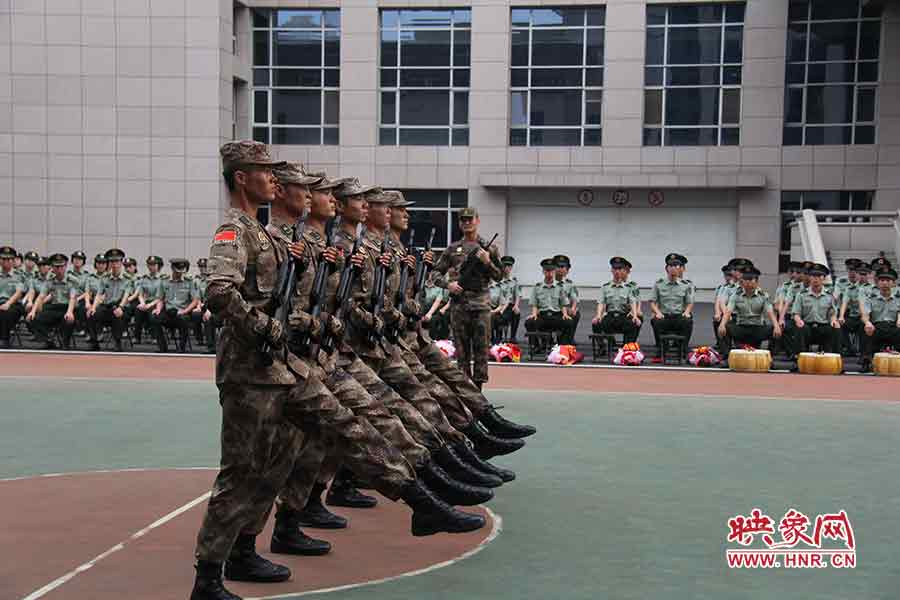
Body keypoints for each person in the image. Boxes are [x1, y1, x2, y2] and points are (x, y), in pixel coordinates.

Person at [189, 142, 483, 600]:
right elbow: (219, 291)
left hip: (286, 367)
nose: (273, 179)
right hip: (249, 374)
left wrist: (300, 322)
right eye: (263, 172)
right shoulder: (234, 231)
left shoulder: (264, 233)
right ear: (241, 178)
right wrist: (264, 325)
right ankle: (209, 578)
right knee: (244, 472)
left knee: (348, 427)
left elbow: (293, 301)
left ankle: (421, 502)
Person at [431, 207, 503, 390]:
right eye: (463, 220)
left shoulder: (489, 248)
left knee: (481, 351)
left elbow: (499, 276)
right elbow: (435, 273)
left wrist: (488, 262)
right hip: (459, 306)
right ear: (459, 223)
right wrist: (448, 285)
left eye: (470, 219)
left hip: (481, 306)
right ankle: (464, 392)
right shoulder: (452, 249)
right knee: (462, 353)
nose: (467, 223)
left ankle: (478, 391)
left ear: (477, 221)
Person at [718, 266, 781, 354]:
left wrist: (776, 326)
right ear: (742, 281)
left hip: (757, 328)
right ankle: (727, 355)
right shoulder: (736, 295)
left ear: (757, 282)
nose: (748, 282)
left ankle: (770, 356)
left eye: (751, 279)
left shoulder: (763, 295)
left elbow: (770, 312)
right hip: (741, 327)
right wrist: (722, 324)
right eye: (745, 279)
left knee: (775, 329)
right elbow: (728, 311)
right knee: (724, 327)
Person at [788, 263, 841, 367]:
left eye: (818, 276)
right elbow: (796, 313)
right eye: (813, 276)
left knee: (836, 328)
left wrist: (834, 320)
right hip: (807, 327)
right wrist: (798, 320)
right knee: (799, 328)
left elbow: (832, 313)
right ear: (809, 277)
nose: (815, 279)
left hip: (823, 327)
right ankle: (799, 361)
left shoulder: (829, 296)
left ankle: (835, 361)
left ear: (823, 278)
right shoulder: (801, 295)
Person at [27, 253, 78, 349]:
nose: (59, 269)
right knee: (33, 318)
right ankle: (48, 339)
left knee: (69, 319)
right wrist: (33, 311)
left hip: (68, 307)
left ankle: (65, 341)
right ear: (52, 268)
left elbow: (72, 297)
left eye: (61, 266)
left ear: (65, 266)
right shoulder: (49, 280)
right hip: (54, 307)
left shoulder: (72, 280)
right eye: (56, 267)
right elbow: (41, 296)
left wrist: (69, 312)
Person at [86, 249, 133, 351]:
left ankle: (117, 342)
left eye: (117, 261)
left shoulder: (127, 278)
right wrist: (93, 307)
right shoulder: (105, 277)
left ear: (121, 262)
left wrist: (121, 307)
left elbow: (126, 295)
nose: (114, 264)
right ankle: (94, 342)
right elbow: (99, 294)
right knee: (91, 314)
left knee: (117, 314)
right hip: (107, 306)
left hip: (122, 307)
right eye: (112, 261)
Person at [649, 253, 694, 360]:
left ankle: (683, 349)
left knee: (688, 321)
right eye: (671, 266)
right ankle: (661, 349)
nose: (673, 269)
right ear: (667, 269)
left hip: (678, 316)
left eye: (676, 266)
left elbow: (689, 302)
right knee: (656, 321)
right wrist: (657, 312)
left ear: (680, 269)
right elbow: (652, 302)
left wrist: (687, 312)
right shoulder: (659, 284)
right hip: (664, 315)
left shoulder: (685, 285)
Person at [152, 258, 200, 353]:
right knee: (155, 318)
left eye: (181, 271)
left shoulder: (189, 282)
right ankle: (162, 347)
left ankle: (181, 348)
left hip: (182, 312)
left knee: (184, 320)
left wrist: (185, 311)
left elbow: (195, 300)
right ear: (172, 268)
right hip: (168, 312)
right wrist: (158, 309)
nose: (179, 273)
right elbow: (160, 298)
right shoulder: (164, 281)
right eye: (177, 271)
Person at [524, 257, 571, 350]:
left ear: (554, 271)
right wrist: (534, 314)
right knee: (529, 322)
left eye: (551, 270)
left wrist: (565, 314)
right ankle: (535, 346)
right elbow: (535, 304)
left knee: (568, 322)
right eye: (547, 270)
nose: (549, 273)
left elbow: (563, 303)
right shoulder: (537, 287)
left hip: (556, 315)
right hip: (543, 315)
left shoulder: (560, 286)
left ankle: (562, 347)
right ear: (543, 271)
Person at [593, 256, 641, 344]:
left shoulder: (628, 287)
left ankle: (627, 346)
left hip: (623, 316)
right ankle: (603, 346)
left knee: (633, 323)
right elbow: (601, 302)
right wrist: (598, 315)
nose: (617, 271)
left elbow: (633, 302)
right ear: (611, 270)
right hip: (610, 316)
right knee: (596, 323)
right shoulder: (605, 287)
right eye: (615, 269)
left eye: (619, 269)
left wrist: (634, 315)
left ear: (623, 270)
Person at [859, 268, 900, 372]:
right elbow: (865, 314)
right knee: (864, 328)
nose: (885, 283)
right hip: (876, 327)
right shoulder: (870, 298)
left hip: (894, 327)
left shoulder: (898, 298)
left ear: (893, 283)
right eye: (882, 280)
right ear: (877, 283)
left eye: (888, 280)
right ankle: (866, 361)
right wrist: (867, 322)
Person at [133, 256, 165, 344]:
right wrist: (142, 303)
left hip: (157, 303)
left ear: (159, 266)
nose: (151, 267)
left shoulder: (163, 279)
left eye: (154, 265)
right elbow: (140, 293)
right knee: (138, 310)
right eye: (149, 264)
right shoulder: (144, 278)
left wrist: (149, 305)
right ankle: (137, 337)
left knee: (153, 313)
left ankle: (155, 336)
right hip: (146, 302)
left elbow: (161, 297)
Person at [837, 260, 866, 355]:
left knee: (865, 323)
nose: (852, 273)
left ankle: (863, 350)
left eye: (855, 271)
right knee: (840, 323)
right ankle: (848, 348)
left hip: (865, 315)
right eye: (850, 270)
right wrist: (841, 316)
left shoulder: (868, 286)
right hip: (849, 313)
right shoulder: (843, 283)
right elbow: (840, 299)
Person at [0, 246, 26, 348]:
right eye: (3, 259)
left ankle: (4, 339)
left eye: (9, 259)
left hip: (13, 304)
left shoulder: (19, 275)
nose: (6, 261)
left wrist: (7, 304)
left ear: (13, 260)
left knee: (5, 313)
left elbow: (18, 293)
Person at [553, 255, 579, 344]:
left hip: (565, 310)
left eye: (563, 267)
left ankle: (569, 337)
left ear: (567, 270)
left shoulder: (569, 284)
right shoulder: (548, 282)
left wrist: (573, 309)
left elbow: (574, 299)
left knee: (576, 314)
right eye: (558, 266)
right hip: (552, 309)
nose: (561, 269)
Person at [421, 271, 451, 340]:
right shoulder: (422, 284)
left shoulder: (440, 287)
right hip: (425, 306)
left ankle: (435, 338)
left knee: (435, 319)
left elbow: (438, 301)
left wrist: (429, 314)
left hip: (438, 307)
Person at [498, 256, 521, 341]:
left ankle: (513, 336)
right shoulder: (497, 280)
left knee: (516, 313)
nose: (507, 268)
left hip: (510, 306)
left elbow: (517, 295)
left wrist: (516, 306)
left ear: (511, 267)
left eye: (509, 266)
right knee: (499, 316)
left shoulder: (514, 281)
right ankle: (498, 337)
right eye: (505, 265)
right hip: (499, 306)